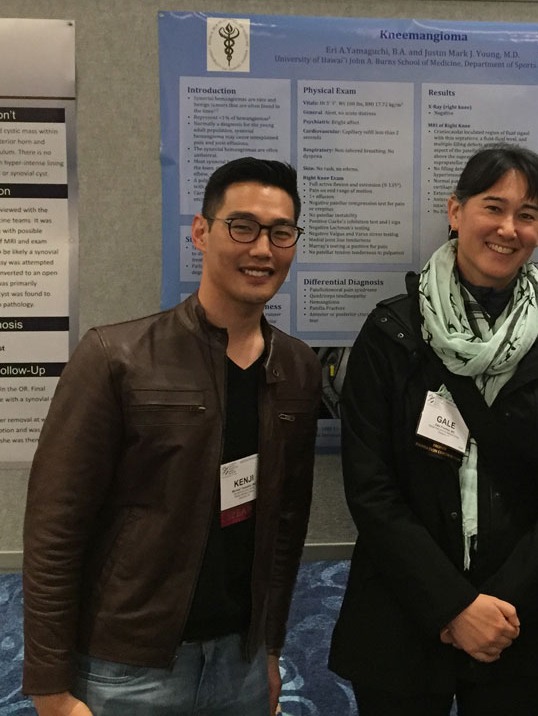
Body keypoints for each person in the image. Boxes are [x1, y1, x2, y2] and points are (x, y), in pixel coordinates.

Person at [22, 157, 321, 716]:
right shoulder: (117, 358)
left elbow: (285, 526)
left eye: (281, 232)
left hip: (242, 666)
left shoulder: (297, 369)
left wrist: (271, 651)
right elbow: (54, 529)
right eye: (243, 226)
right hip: (126, 668)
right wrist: (50, 688)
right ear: (202, 232)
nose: (262, 248)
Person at [327, 144, 538, 716]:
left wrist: (497, 604)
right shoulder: (392, 333)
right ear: (456, 211)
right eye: (492, 207)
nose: (508, 228)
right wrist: (453, 606)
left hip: (515, 621)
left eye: (526, 214)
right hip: (403, 614)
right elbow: (370, 486)